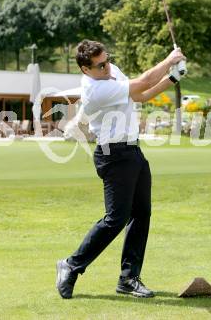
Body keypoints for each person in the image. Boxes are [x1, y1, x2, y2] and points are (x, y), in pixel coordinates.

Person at [56, 40, 186, 299]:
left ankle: (128, 278)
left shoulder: (110, 71)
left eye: (107, 60)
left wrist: (172, 77)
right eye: (100, 65)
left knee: (141, 214)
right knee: (115, 219)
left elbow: (140, 95)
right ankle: (71, 265)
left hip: (133, 151)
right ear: (85, 69)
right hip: (113, 155)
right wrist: (170, 60)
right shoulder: (94, 90)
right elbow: (142, 82)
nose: (107, 68)